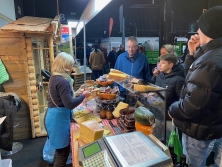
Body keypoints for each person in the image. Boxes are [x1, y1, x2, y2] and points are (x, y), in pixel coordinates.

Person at [168, 6, 222, 167]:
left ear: (209, 30)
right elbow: (194, 79)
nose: (197, 31)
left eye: (200, 26)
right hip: (215, 125)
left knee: (193, 164)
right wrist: (192, 53)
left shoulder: (210, 61)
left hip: (200, 130)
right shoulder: (211, 55)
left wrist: (172, 110)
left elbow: (193, 104)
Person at [45, 52, 91, 167]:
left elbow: (62, 98)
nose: (72, 68)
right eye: (70, 65)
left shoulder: (55, 78)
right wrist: (84, 95)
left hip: (53, 116)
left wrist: (76, 93)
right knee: (62, 153)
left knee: (59, 151)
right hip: (58, 120)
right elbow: (69, 104)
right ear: (64, 66)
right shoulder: (63, 81)